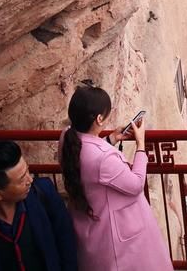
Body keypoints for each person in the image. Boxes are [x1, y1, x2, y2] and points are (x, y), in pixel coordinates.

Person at [59, 85, 172, 271]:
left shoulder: (67, 137)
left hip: (87, 226)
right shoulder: (104, 158)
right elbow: (136, 184)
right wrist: (141, 144)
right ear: (99, 119)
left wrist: (111, 139)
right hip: (112, 235)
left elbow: (88, 157)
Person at [0, 140, 77, 271]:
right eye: (22, 179)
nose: (30, 180)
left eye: (27, 171)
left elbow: (66, 242)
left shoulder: (44, 193)